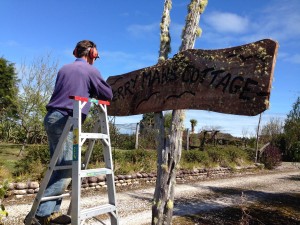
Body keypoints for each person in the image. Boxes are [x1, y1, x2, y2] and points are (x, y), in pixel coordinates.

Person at [25, 40, 113, 225]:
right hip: (66, 119)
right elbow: (108, 94)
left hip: (52, 118)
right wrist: (95, 93)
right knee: (66, 169)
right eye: (95, 56)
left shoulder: (64, 69)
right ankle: (41, 214)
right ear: (92, 54)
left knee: (58, 167)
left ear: (75, 52)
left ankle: (52, 212)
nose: (95, 59)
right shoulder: (90, 70)